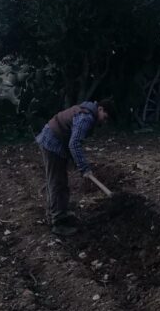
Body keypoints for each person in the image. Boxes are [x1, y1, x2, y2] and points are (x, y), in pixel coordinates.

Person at [36, 98, 115, 235]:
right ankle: (57, 223)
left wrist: (78, 163)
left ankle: (61, 213)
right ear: (100, 109)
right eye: (105, 117)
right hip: (52, 143)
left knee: (60, 183)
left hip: (55, 141)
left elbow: (72, 140)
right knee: (57, 183)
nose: (104, 121)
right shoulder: (86, 117)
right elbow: (74, 143)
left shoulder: (87, 111)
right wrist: (84, 167)